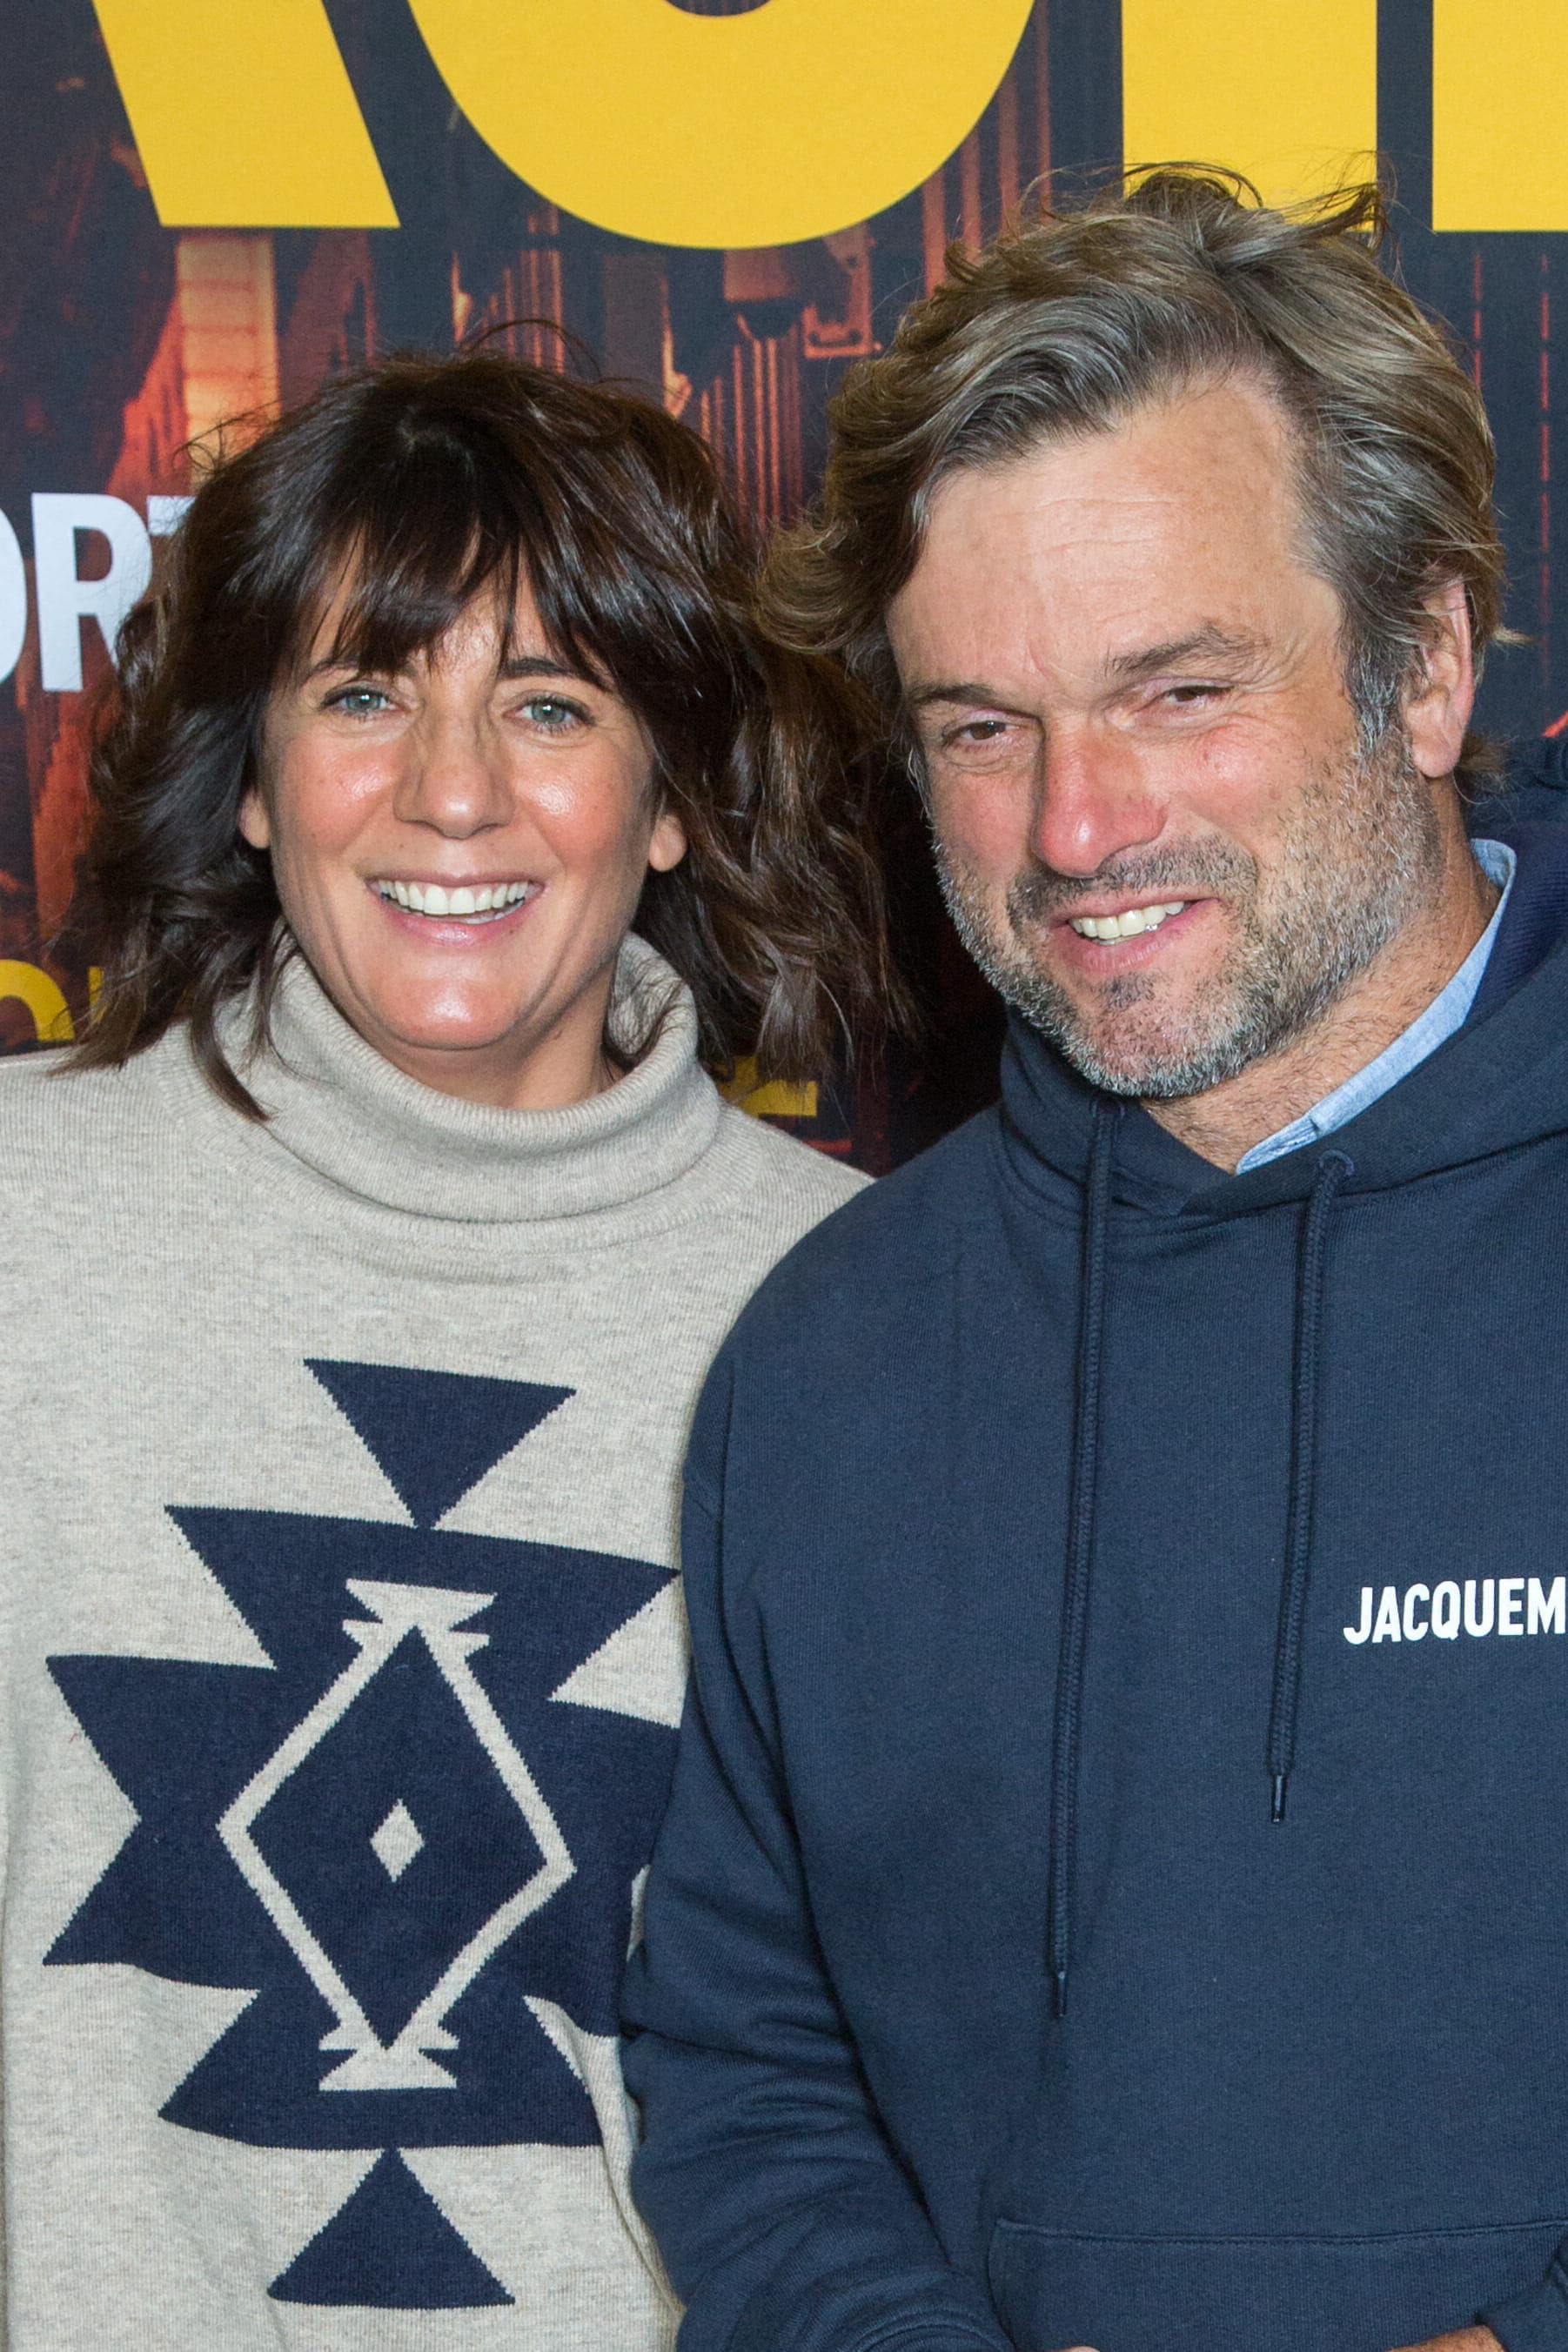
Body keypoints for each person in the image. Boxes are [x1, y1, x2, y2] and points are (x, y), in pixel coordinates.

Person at [622, 173, 1568, 2352]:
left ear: (1425, 661)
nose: (1073, 824)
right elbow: (751, 2066)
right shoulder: (838, 1355)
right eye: (982, 724)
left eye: (1176, 688)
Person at [0, 348, 895, 2346]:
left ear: (672, 800)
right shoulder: (17, 1228)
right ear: (249, 774)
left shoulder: (867, 1323)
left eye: (551, 702)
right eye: (364, 690)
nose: (453, 789)